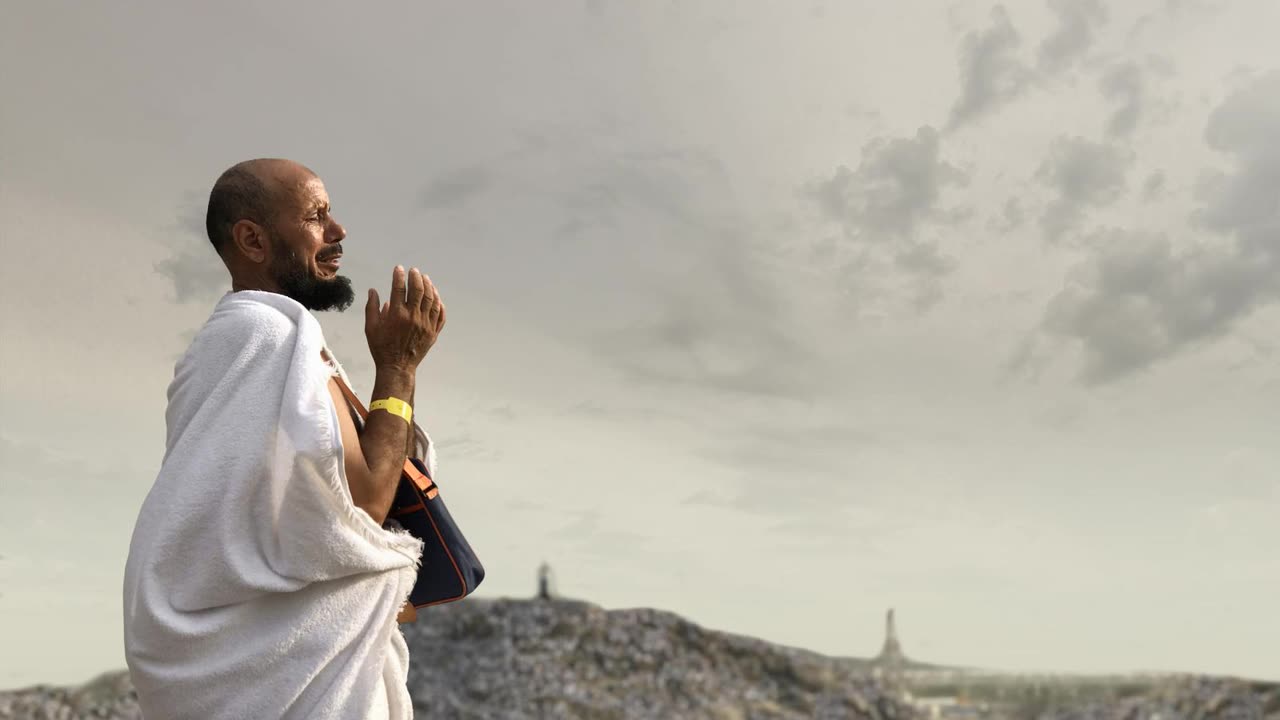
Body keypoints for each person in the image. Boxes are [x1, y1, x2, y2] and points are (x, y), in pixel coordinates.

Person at [122, 158, 445, 719]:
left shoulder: (263, 345)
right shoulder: (264, 335)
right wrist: (398, 367)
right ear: (252, 239)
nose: (338, 231)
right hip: (291, 683)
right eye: (317, 216)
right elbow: (365, 503)